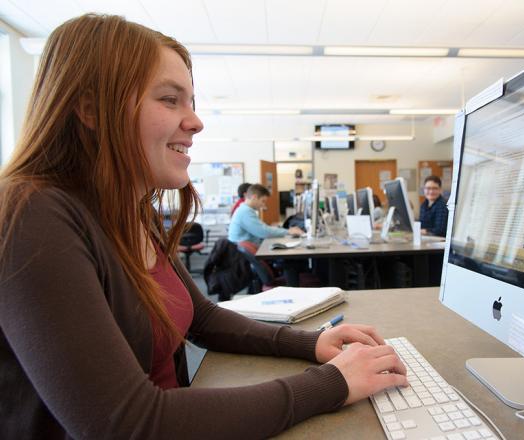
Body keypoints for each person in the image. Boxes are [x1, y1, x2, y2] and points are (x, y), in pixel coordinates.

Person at [0, 14, 407, 439]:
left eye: (190, 102)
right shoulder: (30, 213)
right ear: (90, 109)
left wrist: (310, 343)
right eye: (170, 100)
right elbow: (129, 424)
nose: (195, 121)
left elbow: (205, 317)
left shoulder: (127, 212)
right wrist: (332, 383)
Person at [228, 183, 303, 246]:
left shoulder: (246, 209)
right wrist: (288, 231)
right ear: (254, 197)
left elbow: (261, 228)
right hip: (245, 257)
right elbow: (263, 232)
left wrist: (278, 229)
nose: (263, 205)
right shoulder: (245, 212)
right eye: (263, 201)